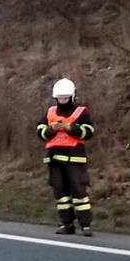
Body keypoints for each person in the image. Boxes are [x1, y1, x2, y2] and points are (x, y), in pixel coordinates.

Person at [36, 78, 95, 236]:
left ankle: (85, 225)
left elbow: (88, 132)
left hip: (74, 159)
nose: (62, 101)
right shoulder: (50, 112)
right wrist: (51, 130)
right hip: (54, 159)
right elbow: (40, 131)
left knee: (79, 192)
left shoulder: (81, 112)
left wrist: (71, 128)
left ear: (72, 96)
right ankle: (66, 224)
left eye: (65, 98)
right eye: (60, 98)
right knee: (60, 194)